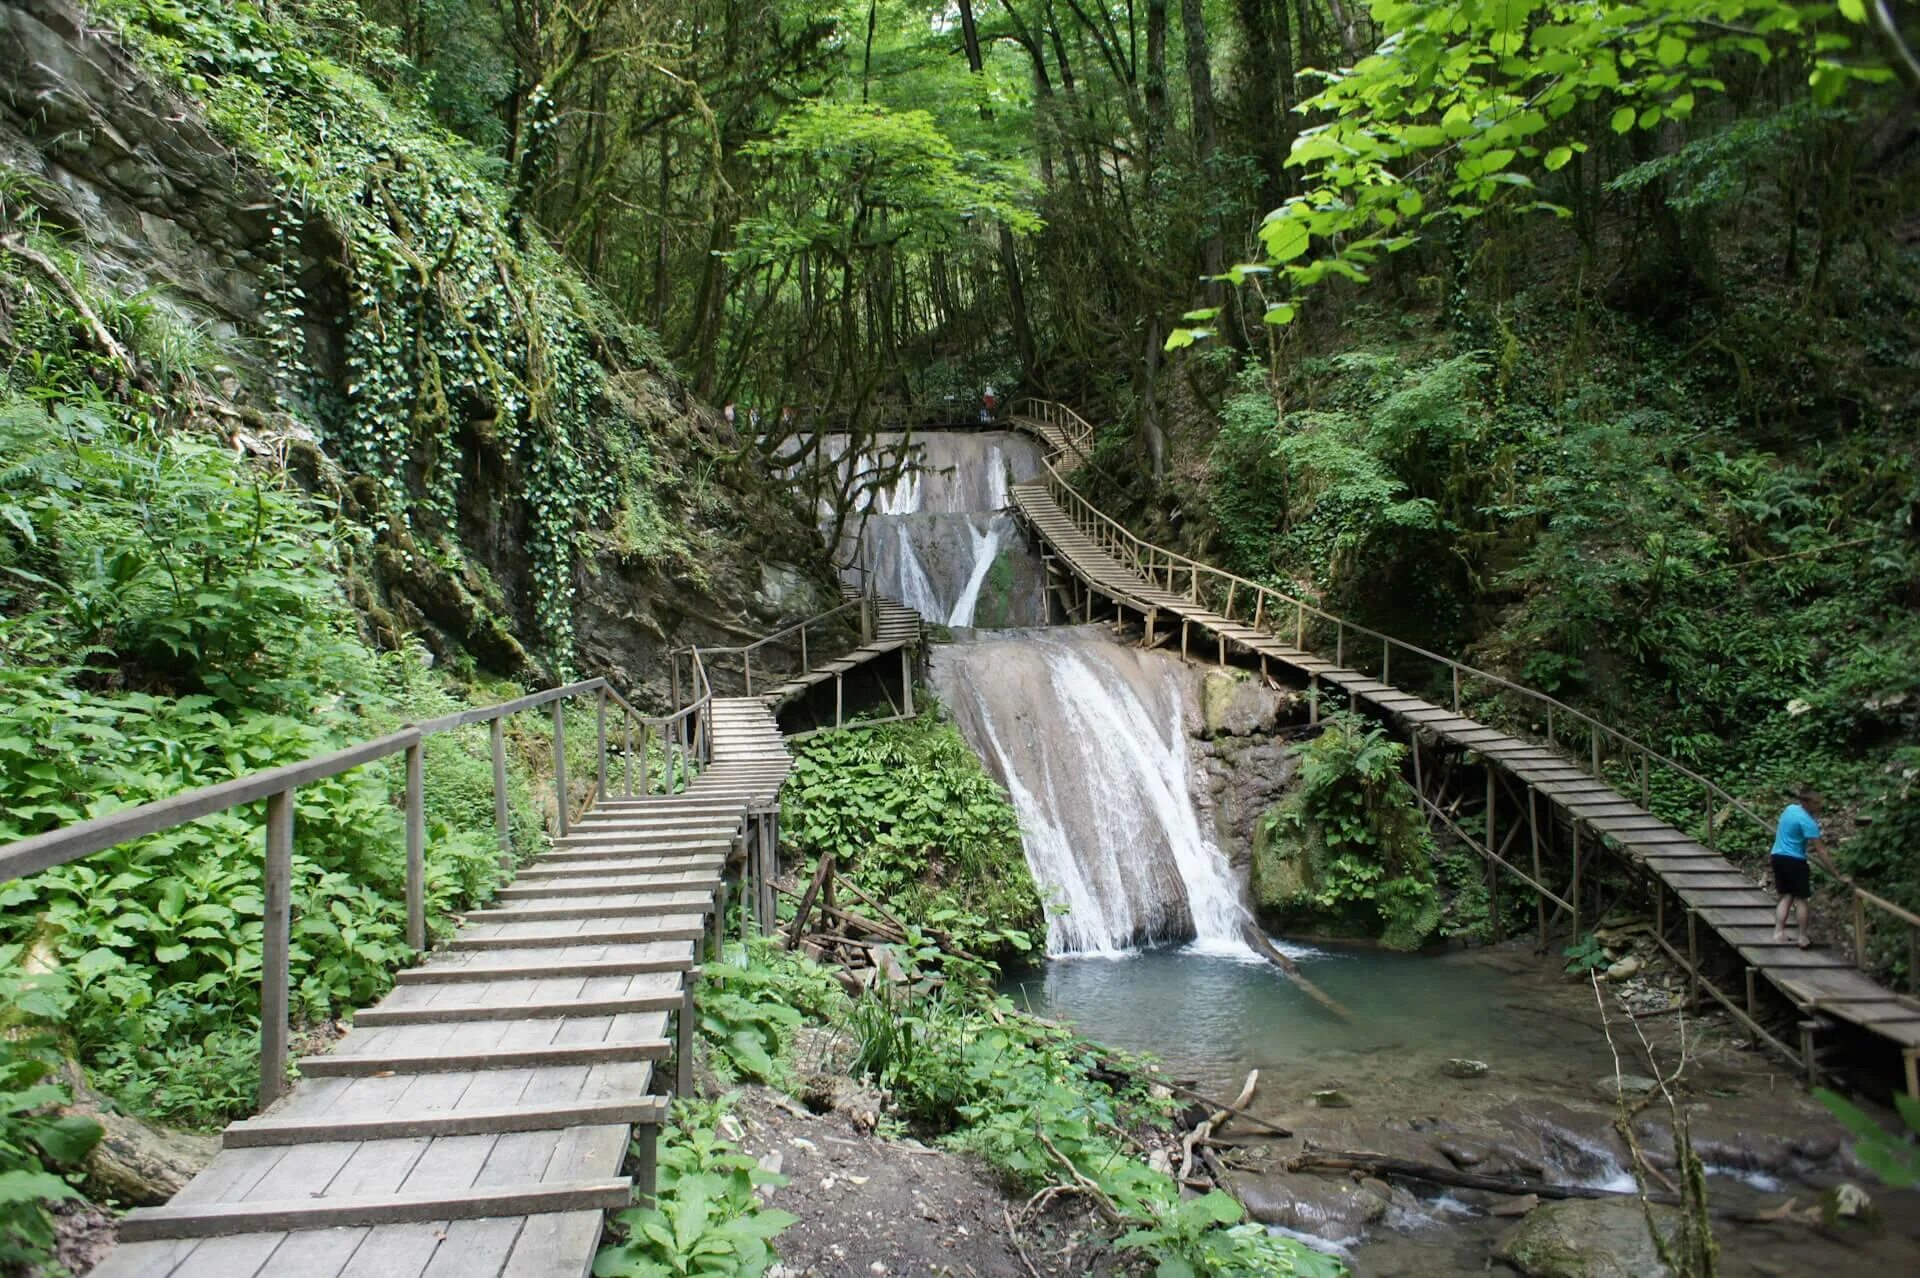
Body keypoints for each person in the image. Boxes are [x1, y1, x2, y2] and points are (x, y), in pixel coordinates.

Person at [1771, 788, 1843, 948]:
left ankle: (1778, 932)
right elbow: (1821, 851)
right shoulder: (1808, 822)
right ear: (1806, 802)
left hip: (1777, 856)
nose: (1819, 805)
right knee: (1801, 899)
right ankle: (1802, 936)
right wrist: (1836, 874)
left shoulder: (1789, 809)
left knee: (1786, 896)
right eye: (1816, 803)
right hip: (1795, 861)